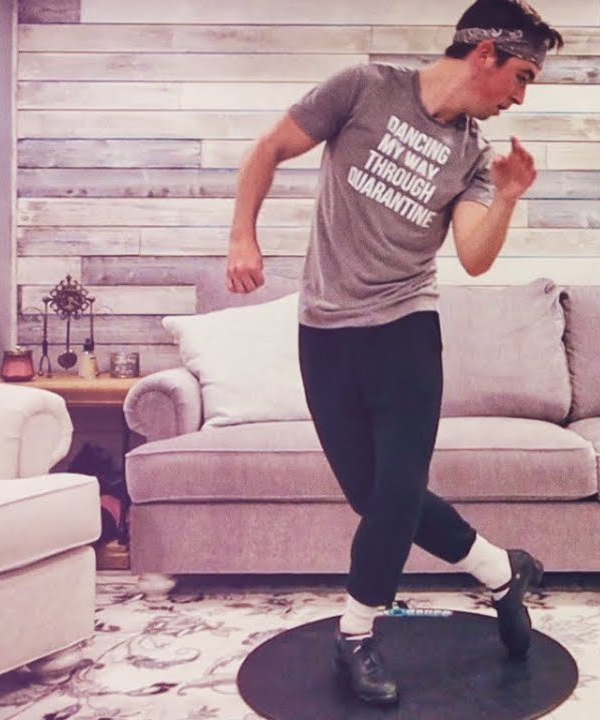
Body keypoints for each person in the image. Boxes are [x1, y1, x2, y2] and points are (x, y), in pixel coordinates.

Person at [224, 0, 563, 708]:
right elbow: (268, 149)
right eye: (522, 76)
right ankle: (503, 572)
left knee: (398, 491)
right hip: (324, 328)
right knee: (371, 496)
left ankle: (355, 634)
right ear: (485, 54)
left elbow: (473, 257)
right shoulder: (363, 89)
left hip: (406, 328)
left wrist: (505, 198)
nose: (520, 97)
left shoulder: (473, 156)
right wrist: (242, 237)